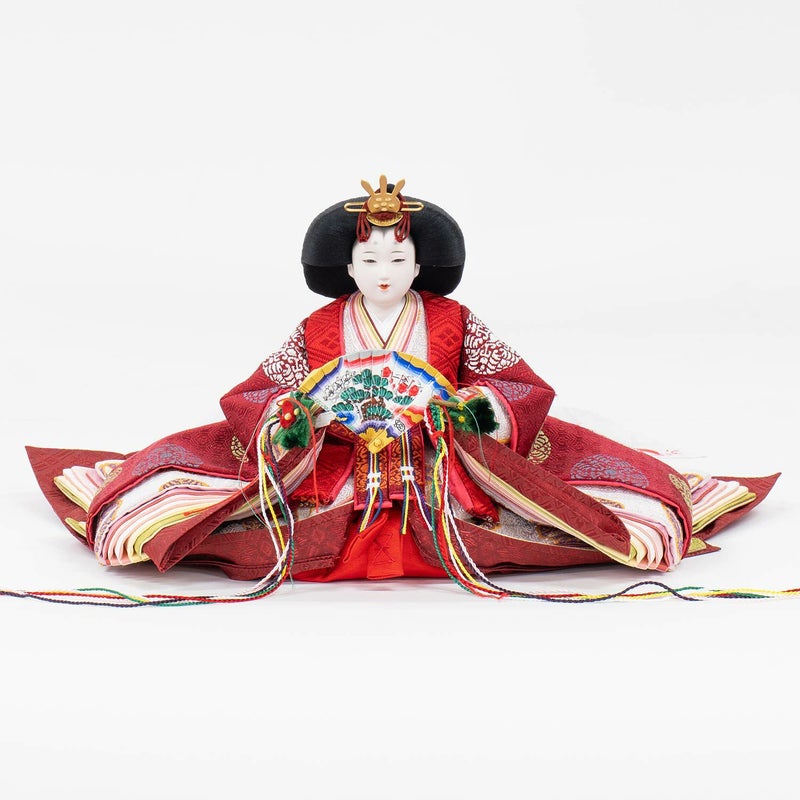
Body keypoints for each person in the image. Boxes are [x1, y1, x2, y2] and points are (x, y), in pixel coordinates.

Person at [26, 175, 779, 596]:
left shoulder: (453, 321)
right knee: (220, 503)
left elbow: (517, 383)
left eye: (398, 261)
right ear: (345, 268)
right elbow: (253, 395)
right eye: (369, 262)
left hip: (442, 458)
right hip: (336, 461)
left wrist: (475, 407)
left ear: (421, 265)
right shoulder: (321, 327)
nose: (384, 273)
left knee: (570, 500)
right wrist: (295, 415)